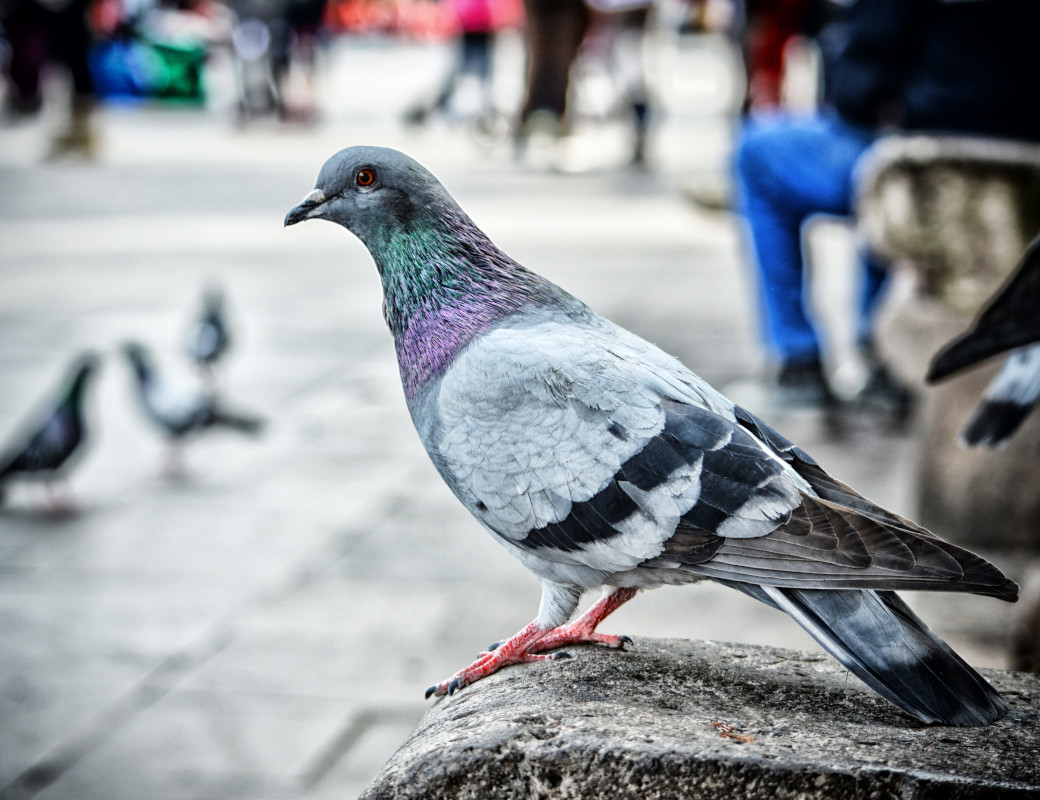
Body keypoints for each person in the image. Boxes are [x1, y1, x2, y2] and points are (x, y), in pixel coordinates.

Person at [734, 0, 1040, 408]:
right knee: (880, 156)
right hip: (1025, 171)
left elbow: (858, 92)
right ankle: (875, 358)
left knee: (758, 153)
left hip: (928, 168)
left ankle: (798, 359)